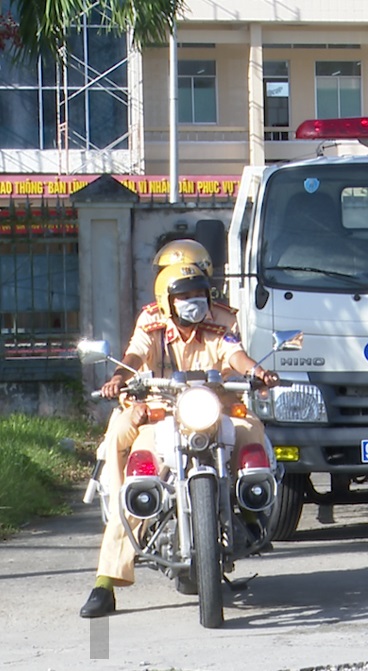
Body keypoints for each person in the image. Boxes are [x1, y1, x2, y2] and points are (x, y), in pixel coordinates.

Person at [79, 262, 281, 618]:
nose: (194, 301)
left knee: (252, 434)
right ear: (168, 300)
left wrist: (257, 371)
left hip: (214, 407)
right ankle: (105, 583)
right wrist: (119, 377)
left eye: (199, 293)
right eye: (184, 295)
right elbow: (135, 355)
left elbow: (233, 352)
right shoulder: (153, 324)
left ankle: (252, 506)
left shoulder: (219, 323)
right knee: (138, 478)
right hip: (161, 410)